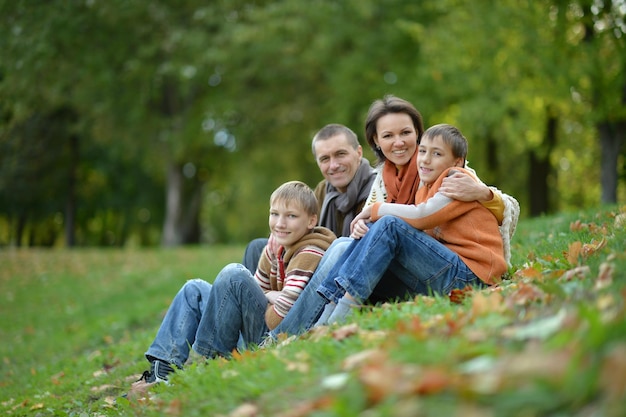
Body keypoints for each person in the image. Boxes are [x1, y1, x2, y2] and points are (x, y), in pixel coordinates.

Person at [265, 95, 519, 340]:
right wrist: (363, 228)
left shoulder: (448, 171)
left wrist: (485, 194)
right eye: (388, 136)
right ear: (376, 141)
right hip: (419, 271)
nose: (398, 142)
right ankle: (302, 325)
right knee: (346, 244)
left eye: (405, 133)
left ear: (417, 134)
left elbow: (503, 209)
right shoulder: (383, 182)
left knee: (375, 231)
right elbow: (378, 231)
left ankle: (313, 323)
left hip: (460, 271)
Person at [134, 181, 336, 386]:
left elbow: (278, 318)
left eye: (291, 216)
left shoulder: (309, 251)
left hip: (273, 337)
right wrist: (267, 296)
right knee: (193, 289)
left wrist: (265, 296)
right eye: (275, 214)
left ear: (311, 221)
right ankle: (161, 371)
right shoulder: (277, 245)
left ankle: (216, 359)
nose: (280, 223)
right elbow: (259, 288)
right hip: (262, 323)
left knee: (233, 274)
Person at [316, 123, 507, 324]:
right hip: (449, 272)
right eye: (422, 151)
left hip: (472, 276)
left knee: (389, 224)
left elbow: (421, 216)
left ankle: (341, 314)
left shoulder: (455, 179)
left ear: (457, 161)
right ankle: (331, 304)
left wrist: (375, 210)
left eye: (437, 154)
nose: (425, 159)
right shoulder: (425, 188)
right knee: (372, 235)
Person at [242, 124, 376, 272]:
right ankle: (257, 294)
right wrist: (278, 234)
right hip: (319, 260)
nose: (333, 165)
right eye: (325, 159)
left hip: (355, 268)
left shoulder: (378, 187)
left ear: (359, 152)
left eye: (340, 154)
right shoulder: (322, 190)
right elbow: (299, 226)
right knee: (257, 247)